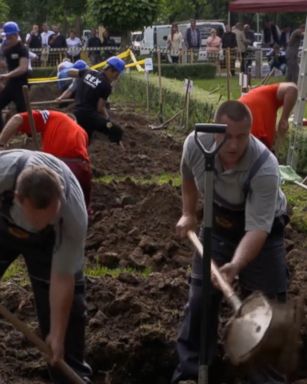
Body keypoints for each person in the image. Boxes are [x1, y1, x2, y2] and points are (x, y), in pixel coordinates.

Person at [172, 100, 289, 384]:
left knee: (267, 308)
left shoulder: (264, 166)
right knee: (200, 299)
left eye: (242, 136)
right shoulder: (195, 145)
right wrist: (189, 213)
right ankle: (190, 373)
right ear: (214, 131)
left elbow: (257, 231)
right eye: (227, 136)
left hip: (264, 230)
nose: (234, 145)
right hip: (219, 220)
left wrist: (235, 265)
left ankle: (266, 379)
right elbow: (188, 174)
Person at [0, 149, 92, 383]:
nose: (47, 222)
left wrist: (57, 334)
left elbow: (63, 277)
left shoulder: (71, 215)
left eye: (53, 215)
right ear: (18, 199)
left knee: (67, 322)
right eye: (41, 219)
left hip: (50, 246)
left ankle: (69, 376)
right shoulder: (3, 177)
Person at [0, 110, 92, 208]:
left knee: (41, 203)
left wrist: (1, 143)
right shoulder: (82, 132)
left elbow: (17, 119)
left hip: (57, 166)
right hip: (82, 170)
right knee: (81, 207)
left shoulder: (52, 116)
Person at [58, 56, 125, 144]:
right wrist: (107, 118)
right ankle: (114, 148)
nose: (116, 77)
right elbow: (100, 108)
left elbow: (69, 72)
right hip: (90, 117)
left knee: (85, 136)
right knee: (116, 130)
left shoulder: (88, 72)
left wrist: (84, 76)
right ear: (112, 71)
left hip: (76, 112)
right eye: (117, 74)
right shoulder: (106, 86)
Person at [239, 82, 298, 150]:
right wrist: (284, 119)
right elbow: (292, 88)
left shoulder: (255, 94)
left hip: (240, 136)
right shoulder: (271, 91)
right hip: (257, 137)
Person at [0, 21, 29, 130]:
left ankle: (30, 135)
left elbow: (23, 68)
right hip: (10, 85)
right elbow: (3, 63)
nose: (7, 40)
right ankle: (2, 133)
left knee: (23, 113)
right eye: (6, 37)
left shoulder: (22, 49)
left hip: (21, 86)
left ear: (16, 35)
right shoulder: (6, 48)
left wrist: (7, 75)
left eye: (10, 37)